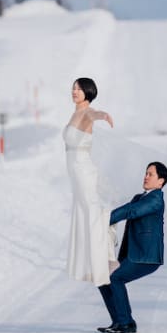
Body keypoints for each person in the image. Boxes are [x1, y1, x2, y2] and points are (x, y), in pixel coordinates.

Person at [97, 160, 167, 333]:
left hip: (147, 256)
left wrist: (104, 219)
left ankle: (126, 323)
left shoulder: (156, 200)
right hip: (133, 254)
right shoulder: (139, 198)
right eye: (145, 173)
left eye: (150, 174)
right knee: (103, 279)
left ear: (161, 181)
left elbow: (131, 212)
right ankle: (118, 321)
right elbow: (130, 207)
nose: (146, 176)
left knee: (115, 278)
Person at [63, 77, 118, 287]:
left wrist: (103, 115)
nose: (74, 91)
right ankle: (90, 265)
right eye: (73, 88)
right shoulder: (75, 112)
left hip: (83, 169)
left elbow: (95, 114)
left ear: (88, 92)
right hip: (75, 170)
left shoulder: (86, 112)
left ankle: (108, 259)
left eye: (78, 88)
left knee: (91, 211)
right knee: (84, 211)